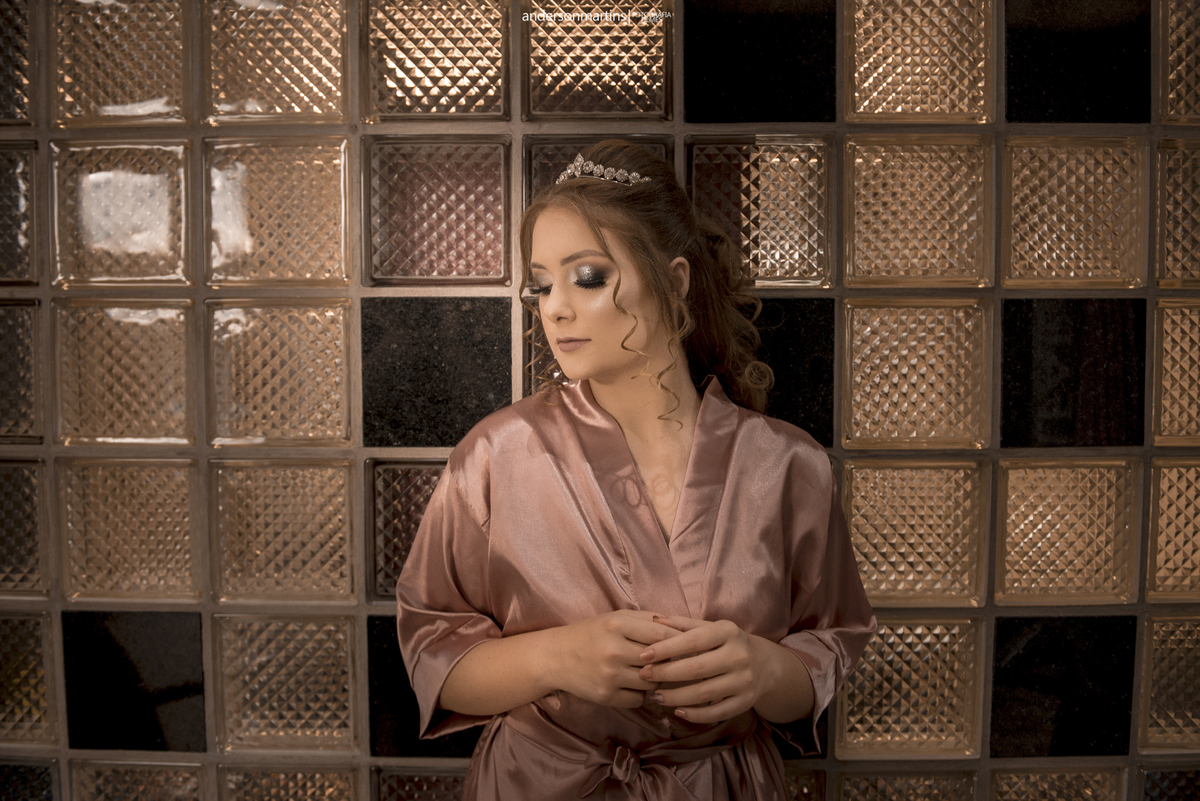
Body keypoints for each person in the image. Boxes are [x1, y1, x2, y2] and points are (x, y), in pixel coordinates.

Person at [396, 140, 875, 800]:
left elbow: (831, 645)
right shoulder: (495, 456)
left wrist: (765, 671)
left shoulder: (789, 466)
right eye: (542, 284)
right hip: (539, 781)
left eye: (588, 277)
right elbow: (433, 655)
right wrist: (558, 657)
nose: (554, 307)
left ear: (674, 282)